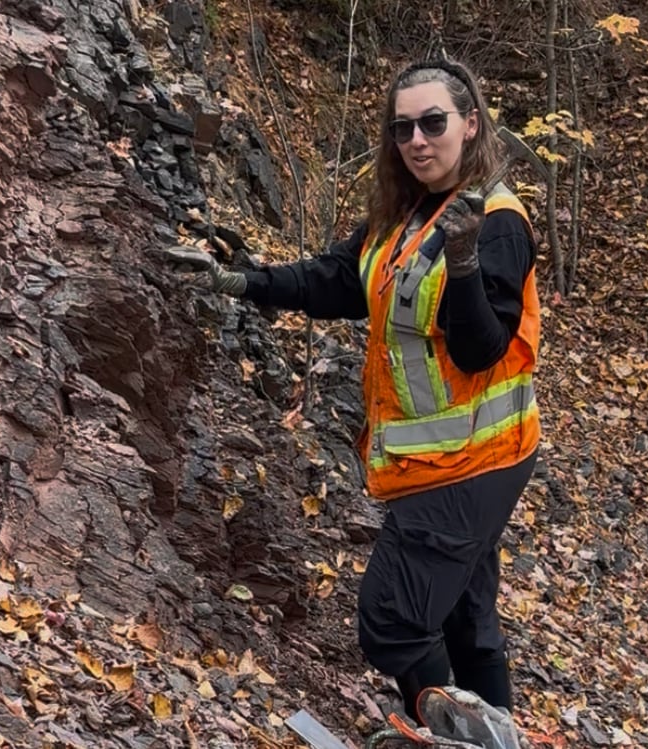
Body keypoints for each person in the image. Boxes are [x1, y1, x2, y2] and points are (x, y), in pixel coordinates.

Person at [170, 58, 540, 734]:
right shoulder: (403, 216)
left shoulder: (498, 220)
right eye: (403, 128)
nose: (418, 140)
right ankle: (484, 729)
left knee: (392, 618)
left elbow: (482, 349)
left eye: (433, 122)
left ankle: (456, 732)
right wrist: (242, 282)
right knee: (465, 621)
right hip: (450, 456)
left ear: (471, 124)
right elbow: (338, 281)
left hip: (470, 460)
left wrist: (462, 266)